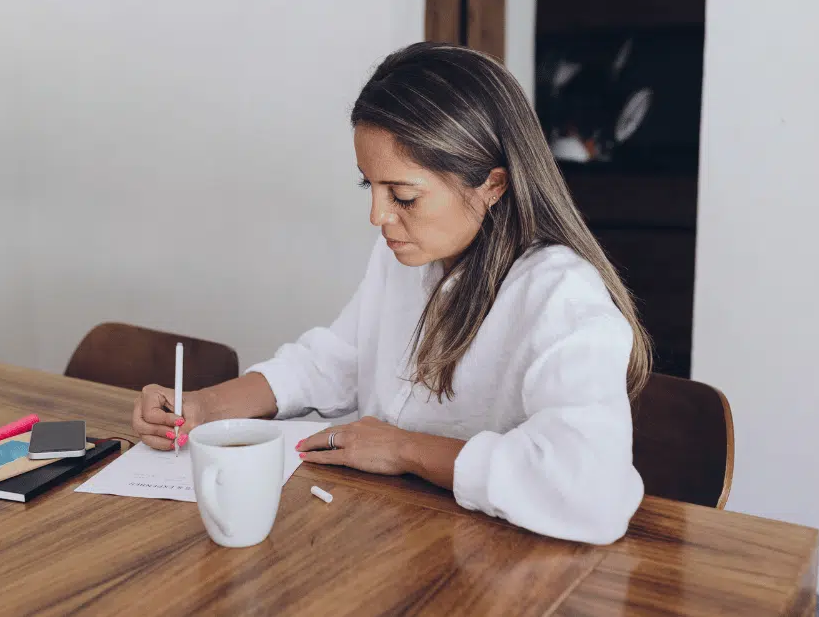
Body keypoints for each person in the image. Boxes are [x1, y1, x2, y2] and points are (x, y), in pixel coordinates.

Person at [132, 42, 652, 544]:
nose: (379, 217)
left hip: (500, 568)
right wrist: (206, 407)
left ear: (492, 185)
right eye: (370, 187)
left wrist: (404, 450)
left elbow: (593, 492)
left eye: (403, 195)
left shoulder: (559, 296)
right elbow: (334, 361)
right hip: (393, 533)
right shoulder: (406, 255)